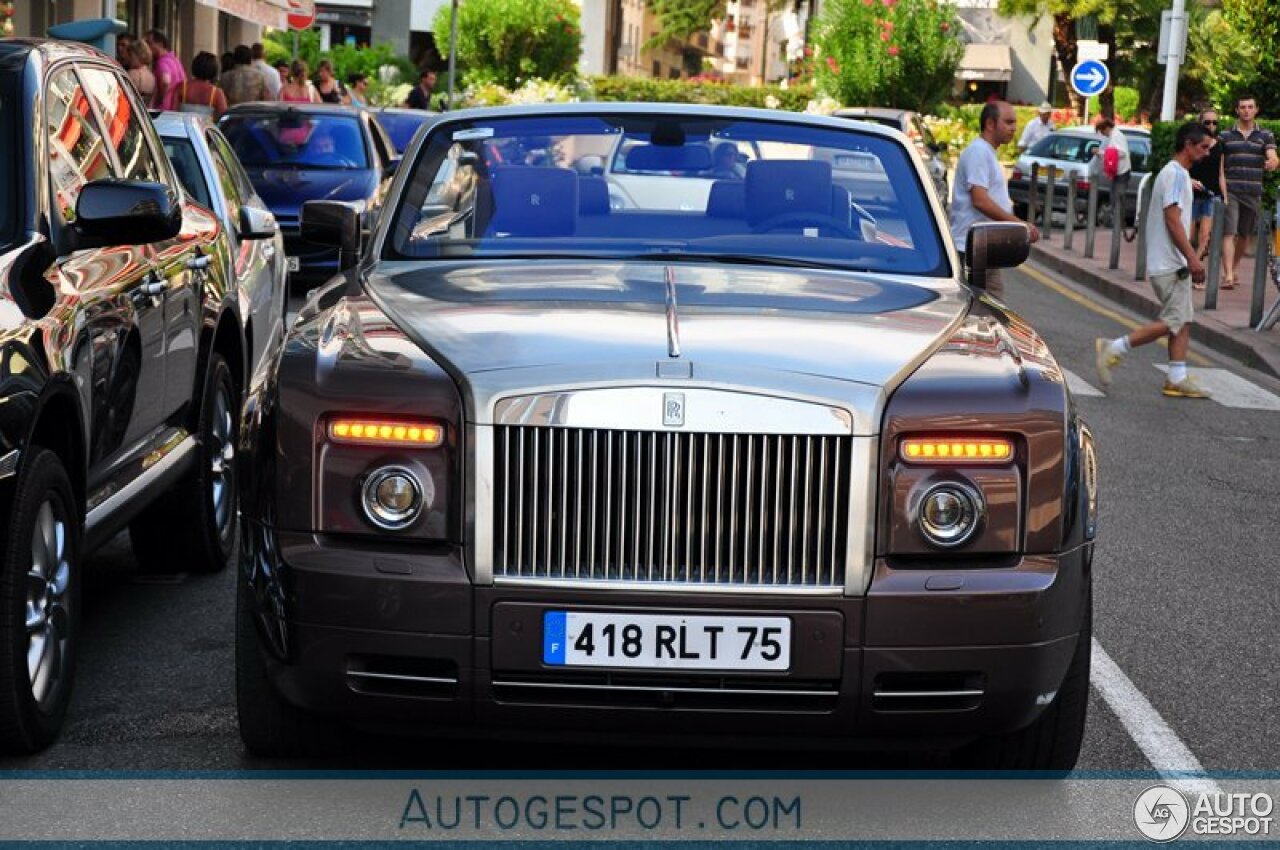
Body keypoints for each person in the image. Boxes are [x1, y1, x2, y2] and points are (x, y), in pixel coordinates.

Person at [1095, 122, 1213, 399]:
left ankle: (1176, 376)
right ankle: (1114, 347)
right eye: (1204, 147)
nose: (1207, 153)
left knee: (1182, 319)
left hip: (1171, 263)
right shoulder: (1174, 174)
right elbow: (1173, 220)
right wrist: (1193, 258)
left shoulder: (1177, 174)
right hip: (1170, 264)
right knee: (1174, 320)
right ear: (1188, 145)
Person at [949, 100, 1040, 299]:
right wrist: (1018, 224)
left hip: (982, 249)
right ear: (990, 124)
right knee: (988, 311)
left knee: (988, 311)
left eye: (1015, 123)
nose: (1014, 128)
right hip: (971, 248)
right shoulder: (979, 152)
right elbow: (979, 200)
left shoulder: (985, 152)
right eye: (1008, 122)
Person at [1218, 93, 1279, 289]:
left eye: (1250, 107)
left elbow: (1273, 155)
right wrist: (1223, 190)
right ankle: (1227, 274)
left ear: (1256, 110)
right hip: (1231, 189)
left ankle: (1233, 267)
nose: (1246, 110)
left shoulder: (1265, 135)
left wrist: (1273, 161)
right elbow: (1218, 164)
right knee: (1229, 232)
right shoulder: (1225, 135)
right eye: (1242, 107)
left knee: (1244, 234)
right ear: (1237, 110)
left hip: (1253, 191)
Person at [1188, 107, 1228, 275]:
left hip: (1211, 195)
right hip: (1191, 194)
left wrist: (1225, 196)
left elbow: (1221, 173)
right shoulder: (1192, 142)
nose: (1211, 125)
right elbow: (1182, 166)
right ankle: (1186, 265)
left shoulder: (1220, 145)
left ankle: (1195, 271)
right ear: (1200, 123)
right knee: (1188, 236)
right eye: (1207, 122)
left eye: (1214, 122)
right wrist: (1188, 181)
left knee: (1205, 236)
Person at [1094, 117, 1132, 238]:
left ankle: (1118, 224)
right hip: (1118, 172)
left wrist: (1102, 153)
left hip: (1122, 172)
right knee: (1114, 197)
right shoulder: (1114, 135)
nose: (1103, 135)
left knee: (1118, 197)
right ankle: (1117, 223)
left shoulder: (1116, 136)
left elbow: (1121, 152)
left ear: (1105, 128)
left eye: (1102, 131)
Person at [144, 29, 186, 112]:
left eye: (149, 43)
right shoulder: (175, 60)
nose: (146, 47)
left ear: (159, 44)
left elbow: (165, 81)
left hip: (163, 111)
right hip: (175, 111)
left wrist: (160, 99)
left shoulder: (162, 62)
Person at [179, 51, 228, 119]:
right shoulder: (216, 93)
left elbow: (172, 112)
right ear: (214, 70)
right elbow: (223, 118)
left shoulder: (182, 88)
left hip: (182, 128)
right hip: (205, 129)